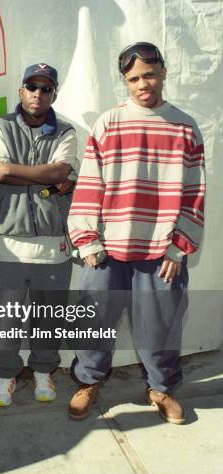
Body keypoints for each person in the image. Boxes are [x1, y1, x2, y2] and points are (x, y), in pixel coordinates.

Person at [67, 42, 206, 424]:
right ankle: (89, 383)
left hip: (161, 251)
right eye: (133, 78)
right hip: (107, 249)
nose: (142, 84)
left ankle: (161, 388)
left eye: (148, 74)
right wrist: (87, 239)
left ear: (163, 71)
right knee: (93, 318)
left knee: (161, 324)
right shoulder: (108, 123)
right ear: (125, 81)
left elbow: (195, 192)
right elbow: (89, 185)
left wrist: (179, 247)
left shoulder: (185, 126)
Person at [0, 63, 79, 407]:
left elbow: (60, 171)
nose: (38, 94)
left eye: (46, 88)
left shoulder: (66, 132)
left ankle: (43, 371)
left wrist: (12, 169)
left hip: (53, 247)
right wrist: (48, 178)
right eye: (31, 86)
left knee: (48, 319)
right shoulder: (0, 126)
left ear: (54, 93)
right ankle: (5, 375)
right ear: (20, 91)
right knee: (6, 319)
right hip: (7, 243)